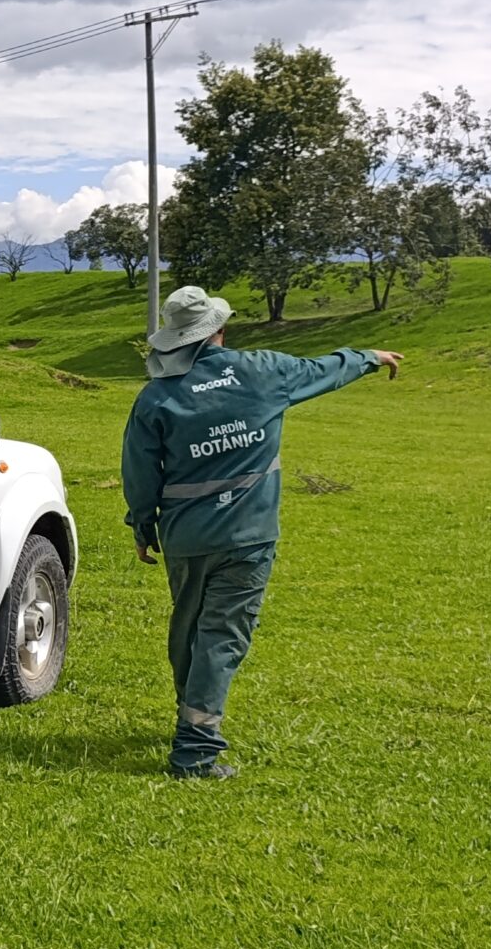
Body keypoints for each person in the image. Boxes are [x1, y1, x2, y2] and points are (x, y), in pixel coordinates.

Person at [121, 285, 401, 780]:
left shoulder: (156, 397)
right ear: (220, 330)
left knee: (189, 630)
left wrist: (143, 524)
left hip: (186, 538)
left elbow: (140, 471)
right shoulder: (264, 371)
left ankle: (191, 716)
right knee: (221, 636)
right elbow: (323, 370)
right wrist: (369, 358)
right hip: (248, 536)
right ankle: (195, 751)